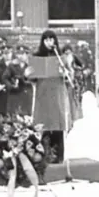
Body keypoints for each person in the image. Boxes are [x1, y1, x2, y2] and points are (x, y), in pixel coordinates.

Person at [31, 30, 72, 164]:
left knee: (57, 124)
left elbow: (69, 75)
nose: (49, 42)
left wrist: (66, 72)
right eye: (46, 40)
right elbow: (32, 78)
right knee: (45, 125)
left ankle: (58, 156)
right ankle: (44, 155)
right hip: (43, 95)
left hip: (57, 95)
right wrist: (29, 74)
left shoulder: (60, 57)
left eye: (51, 39)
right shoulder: (37, 57)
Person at [3, 45, 34, 116]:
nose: (20, 56)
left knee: (26, 116)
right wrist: (11, 86)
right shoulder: (12, 65)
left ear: (27, 54)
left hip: (27, 94)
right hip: (15, 94)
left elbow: (34, 79)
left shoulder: (31, 66)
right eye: (18, 54)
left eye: (23, 54)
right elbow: (5, 78)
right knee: (14, 115)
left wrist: (25, 78)